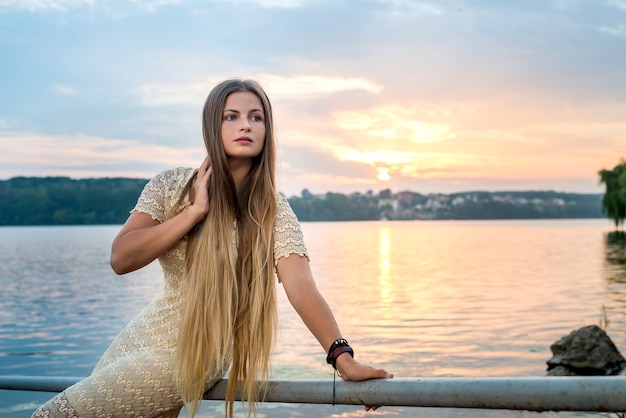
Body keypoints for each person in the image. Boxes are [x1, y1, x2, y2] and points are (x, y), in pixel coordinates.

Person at [33, 78, 392, 418]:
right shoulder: (170, 185)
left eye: (256, 117)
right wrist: (194, 212)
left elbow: (301, 287)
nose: (246, 126)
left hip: (194, 355)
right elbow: (122, 258)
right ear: (212, 127)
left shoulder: (272, 209)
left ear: (267, 131)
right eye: (231, 117)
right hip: (141, 336)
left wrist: (342, 357)